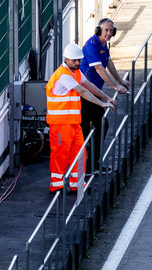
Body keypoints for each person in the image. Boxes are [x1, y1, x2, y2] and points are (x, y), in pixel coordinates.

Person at [46, 43, 115, 192]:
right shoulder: (63, 74)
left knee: (79, 153)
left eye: (79, 60)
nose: (77, 63)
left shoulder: (75, 73)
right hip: (60, 124)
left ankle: (77, 185)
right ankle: (56, 186)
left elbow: (89, 85)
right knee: (60, 154)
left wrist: (107, 98)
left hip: (73, 123)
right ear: (66, 59)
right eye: (74, 61)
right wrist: (101, 104)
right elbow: (83, 92)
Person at [81, 18, 129, 171]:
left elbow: (108, 62)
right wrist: (115, 86)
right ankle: (85, 168)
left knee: (101, 125)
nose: (109, 33)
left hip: (94, 93)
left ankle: (92, 165)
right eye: (106, 30)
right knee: (85, 131)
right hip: (85, 94)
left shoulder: (103, 46)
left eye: (111, 31)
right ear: (98, 30)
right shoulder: (91, 46)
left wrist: (119, 80)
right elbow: (100, 69)